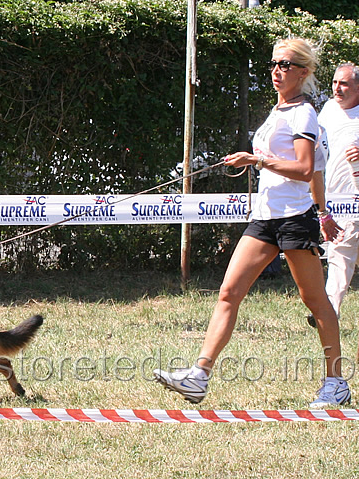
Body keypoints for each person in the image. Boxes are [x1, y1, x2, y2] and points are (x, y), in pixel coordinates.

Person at [153, 38, 351, 408]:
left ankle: (335, 382)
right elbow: (317, 171)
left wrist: (257, 161)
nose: (278, 71)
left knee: (315, 301)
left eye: (287, 65)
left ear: (304, 72)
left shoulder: (303, 114)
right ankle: (199, 376)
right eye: (275, 64)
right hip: (265, 218)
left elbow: (307, 169)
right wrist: (323, 211)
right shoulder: (279, 111)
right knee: (229, 292)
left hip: (293, 220)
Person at [308, 63, 359, 325]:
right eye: (335, 82)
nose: (337, 88)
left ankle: (326, 312)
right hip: (334, 200)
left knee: (342, 255)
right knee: (339, 255)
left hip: (356, 200)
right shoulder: (327, 110)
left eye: (345, 84)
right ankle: (327, 313)